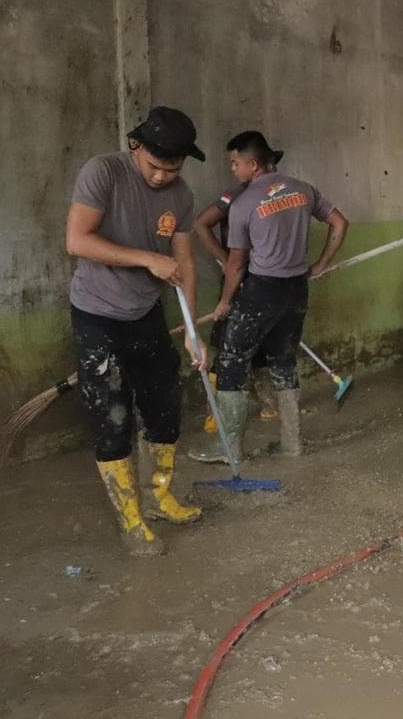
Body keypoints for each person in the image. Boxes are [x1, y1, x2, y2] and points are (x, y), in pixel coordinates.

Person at [65, 106, 209, 556]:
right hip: (96, 313)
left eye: (173, 168)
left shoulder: (180, 194)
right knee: (112, 418)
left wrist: (190, 330)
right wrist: (147, 258)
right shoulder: (103, 172)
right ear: (136, 146)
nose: (163, 176)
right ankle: (131, 516)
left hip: (144, 312)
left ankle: (160, 495)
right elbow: (78, 240)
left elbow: (184, 262)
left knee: (165, 407)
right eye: (154, 166)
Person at [189, 131, 349, 463]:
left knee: (232, 363)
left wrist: (224, 302)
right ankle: (293, 444)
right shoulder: (303, 190)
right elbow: (339, 223)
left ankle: (230, 450)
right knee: (284, 362)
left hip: (261, 289)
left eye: (236, 163)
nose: (233, 169)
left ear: (254, 163)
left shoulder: (244, 203)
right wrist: (320, 264)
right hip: (295, 289)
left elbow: (236, 264)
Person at [192, 140, 283, 432]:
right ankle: (213, 413)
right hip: (237, 279)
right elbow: (201, 224)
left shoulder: (278, 195)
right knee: (228, 344)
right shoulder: (233, 197)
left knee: (265, 343)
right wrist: (224, 258)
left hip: (266, 280)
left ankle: (271, 405)